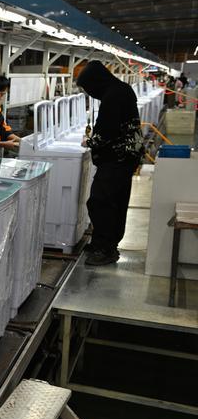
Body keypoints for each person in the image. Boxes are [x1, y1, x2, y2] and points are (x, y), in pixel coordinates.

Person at [75, 60, 144, 266]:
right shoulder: (121, 89)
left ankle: (106, 250)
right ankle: (102, 243)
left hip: (117, 158)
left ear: (96, 82)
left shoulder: (113, 96)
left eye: (89, 88)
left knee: (101, 202)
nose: (90, 93)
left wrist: (89, 141)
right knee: (114, 201)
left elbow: (107, 132)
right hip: (126, 157)